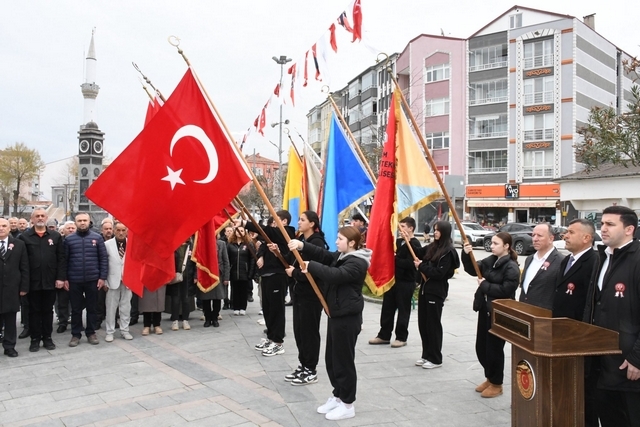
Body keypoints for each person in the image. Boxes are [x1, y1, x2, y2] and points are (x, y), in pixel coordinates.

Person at [287, 226, 370, 421]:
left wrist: (311, 266)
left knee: (343, 361)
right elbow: (323, 254)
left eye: (340, 239)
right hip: (336, 314)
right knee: (332, 360)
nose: (336, 241)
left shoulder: (358, 262)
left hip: (347, 318)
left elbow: (336, 275)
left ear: (352, 243)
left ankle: (347, 404)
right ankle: (338, 395)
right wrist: (302, 245)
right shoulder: (342, 256)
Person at [583, 205, 640, 426]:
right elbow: (592, 305)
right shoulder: (603, 257)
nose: (603, 229)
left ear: (629, 229)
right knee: (607, 417)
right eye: (602, 223)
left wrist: (637, 358)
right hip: (601, 361)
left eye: (610, 224)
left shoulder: (637, 260)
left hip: (628, 366)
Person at [462, 232, 519, 398]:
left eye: (496, 243)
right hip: (485, 309)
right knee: (482, 346)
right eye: (492, 243)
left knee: (494, 349)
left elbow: (506, 290)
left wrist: (485, 285)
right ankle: (489, 377)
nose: (492, 246)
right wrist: (466, 254)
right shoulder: (491, 260)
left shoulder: (511, 267)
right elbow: (474, 269)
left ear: (506, 246)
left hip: (498, 313)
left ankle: (497, 383)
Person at [240, 210, 295, 358]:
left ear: (284, 221)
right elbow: (263, 246)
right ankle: (270, 337)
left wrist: (245, 223)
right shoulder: (273, 234)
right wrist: (261, 256)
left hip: (278, 275)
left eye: (276, 220)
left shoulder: (286, 232)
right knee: (268, 309)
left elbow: (264, 231)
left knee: (276, 310)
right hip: (266, 274)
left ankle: (278, 342)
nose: (273, 223)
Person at [285, 211, 328, 386]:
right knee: (299, 332)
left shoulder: (316, 243)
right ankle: (303, 365)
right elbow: (293, 261)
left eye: (302, 220)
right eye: (299, 219)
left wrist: (294, 273)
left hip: (311, 295)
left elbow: (313, 271)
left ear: (312, 224)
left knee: (309, 332)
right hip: (300, 294)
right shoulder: (302, 240)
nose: (299, 222)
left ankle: (311, 369)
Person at [369, 217, 423, 348]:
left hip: (406, 281)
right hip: (392, 280)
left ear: (411, 228)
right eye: (400, 226)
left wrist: (394, 260)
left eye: (403, 226)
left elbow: (411, 263)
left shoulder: (415, 244)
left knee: (403, 310)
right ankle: (384, 335)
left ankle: (401, 337)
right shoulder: (397, 242)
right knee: (387, 308)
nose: (400, 229)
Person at [18, 208, 66, 352]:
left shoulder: (55, 236)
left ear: (46, 218)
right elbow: (21, 262)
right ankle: (34, 339)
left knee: (47, 311)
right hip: (32, 282)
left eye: (42, 216)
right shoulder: (24, 237)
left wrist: (60, 278)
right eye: (37, 216)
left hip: (50, 281)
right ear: (32, 219)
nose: (40, 218)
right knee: (33, 312)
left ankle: (47, 338)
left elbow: (61, 259)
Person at [414, 220, 459, 368]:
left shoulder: (448, 252)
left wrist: (421, 266)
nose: (435, 232)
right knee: (423, 323)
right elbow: (418, 252)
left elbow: (439, 273)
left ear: (444, 232)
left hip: (436, 291)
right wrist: (408, 238)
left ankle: (435, 358)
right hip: (425, 289)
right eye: (434, 230)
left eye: (438, 230)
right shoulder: (433, 246)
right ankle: (426, 354)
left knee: (433, 325)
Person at [63, 212, 108, 347]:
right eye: (79, 220)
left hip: (93, 279)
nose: (82, 223)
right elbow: (64, 260)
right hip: (74, 279)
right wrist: (64, 278)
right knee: (76, 309)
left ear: (89, 222)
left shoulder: (97, 238)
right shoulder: (69, 240)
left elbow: (103, 259)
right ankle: (76, 334)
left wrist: (102, 277)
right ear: (75, 222)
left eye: (85, 220)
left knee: (92, 308)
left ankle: (91, 332)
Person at [553, 218, 597, 320]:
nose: (565, 236)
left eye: (571, 232)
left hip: (577, 324)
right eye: (567, 232)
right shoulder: (566, 260)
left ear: (586, 238)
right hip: (559, 321)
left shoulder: (594, 262)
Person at [0, 218, 30, 357]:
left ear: (9, 228)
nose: (1, 228)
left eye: (4, 225)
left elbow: (24, 267)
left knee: (10, 319)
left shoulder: (19, 244)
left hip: (12, 288)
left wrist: (24, 287)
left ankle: (9, 346)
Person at [519, 223, 563, 310]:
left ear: (551, 238)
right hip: (524, 310)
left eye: (539, 236)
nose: (535, 239)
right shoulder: (529, 259)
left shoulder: (561, 261)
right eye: (533, 235)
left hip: (544, 313)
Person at [103, 222, 133, 342]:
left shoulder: (131, 244)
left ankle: (125, 330)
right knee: (111, 308)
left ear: (127, 231)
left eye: (123, 230)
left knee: (126, 307)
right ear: (114, 231)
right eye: (118, 230)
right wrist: (105, 280)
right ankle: (110, 331)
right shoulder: (107, 244)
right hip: (112, 280)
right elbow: (104, 263)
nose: (121, 233)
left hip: (127, 280)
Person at [199, 235, 229, 328]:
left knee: (217, 297)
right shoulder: (202, 244)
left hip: (218, 275)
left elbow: (226, 261)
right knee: (206, 298)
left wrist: (226, 277)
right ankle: (207, 318)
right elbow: (198, 261)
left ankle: (215, 318)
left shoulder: (222, 244)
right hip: (206, 274)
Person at [227, 226, 255, 316]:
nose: (239, 232)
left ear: (244, 232)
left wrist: (251, 272)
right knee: (235, 290)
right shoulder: (230, 244)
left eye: (242, 231)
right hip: (233, 271)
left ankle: (243, 307)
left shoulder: (248, 244)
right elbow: (227, 258)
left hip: (245, 271)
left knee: (243, 290)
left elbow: (252, 259)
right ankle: (236, 307)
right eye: (238, 231)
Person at [167, 238, 194, 331]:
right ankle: (175, 321)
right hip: (175, 277)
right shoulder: (173, 246)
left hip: (188, 278)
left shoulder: (191, 247)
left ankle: (185, 320)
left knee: (186, 300)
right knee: (175, 299)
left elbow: (195, 262)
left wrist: (196, 276)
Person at [55, 221, 76, 333]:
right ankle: (63, 322)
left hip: (76, 276)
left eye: (73, 228)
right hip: (63, 275)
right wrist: (62, 277)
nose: (71, 230)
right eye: (69, 228)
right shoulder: (60, 242)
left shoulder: (79, 240)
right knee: (62, 301)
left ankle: (76, 322)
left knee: (77, 302)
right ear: (63, 230)